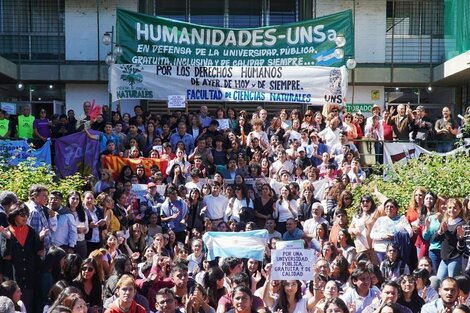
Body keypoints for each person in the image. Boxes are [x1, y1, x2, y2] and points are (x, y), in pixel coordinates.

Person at [4, 204, 43, 313]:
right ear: (13, 216)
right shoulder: (6, 232)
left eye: (26, 214)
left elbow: (38, 252)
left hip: (30, 278)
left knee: (27, 306)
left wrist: (41, 238)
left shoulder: (31, 231)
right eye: (22, 214)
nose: (25, 217)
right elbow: (6, 256)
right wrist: (8, 239)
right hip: (13, 278)